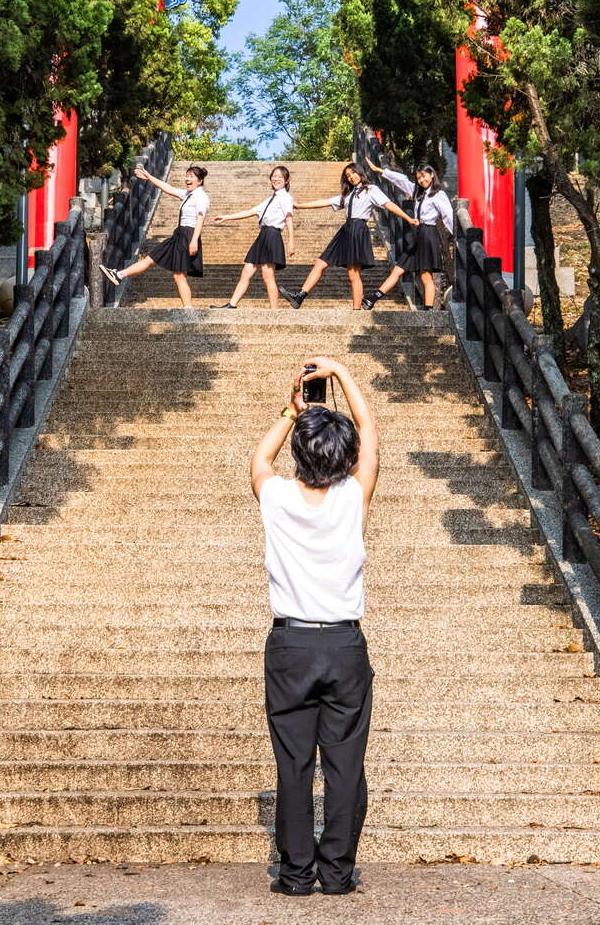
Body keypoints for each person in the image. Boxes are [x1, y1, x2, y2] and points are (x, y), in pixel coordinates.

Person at [251, 355, 379, 897]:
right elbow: (368, 427)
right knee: (345, 764)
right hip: (344, 643)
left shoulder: (276, 496)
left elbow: (260, 458)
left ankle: (296, 873)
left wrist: (292, 410)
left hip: (291, 642)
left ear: (299, 452)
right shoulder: (354, 496)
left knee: (294, 764)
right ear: (347, 454)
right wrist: (340, 371)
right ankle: (338, 872)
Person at [278, 164, 416, 310]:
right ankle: (299, 296)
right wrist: (299, 205)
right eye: (348, 176)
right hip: (345, 230)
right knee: (320, 263)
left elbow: (388, 204)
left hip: (358, 230)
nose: (351, 177)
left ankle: (356, 310)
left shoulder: (371, 189)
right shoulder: (348, 194)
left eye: (353, 173)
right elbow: (326, 202)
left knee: (353, 274)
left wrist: (408, 218)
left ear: (360, 173)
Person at [99, 165, 207, 306]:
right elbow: (168, 188)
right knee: (151, 258)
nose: (187, 179)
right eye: (186, 175)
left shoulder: (201, 197)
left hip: (188, 235)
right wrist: (149, 177)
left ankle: (188, 308)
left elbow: (200, 218)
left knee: (179, 275)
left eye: (191, 176)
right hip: (179, 234)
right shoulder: (188, 194)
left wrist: (194, 241)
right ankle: (119, 275)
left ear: (200, 181)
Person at [363, 164, 456, 310]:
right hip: (417, 235)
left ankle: (428, 312)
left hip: (428, 234)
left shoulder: (439, 195)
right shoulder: (417, 192)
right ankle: (372, 299)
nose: (421, 180)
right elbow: (402, 180)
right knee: (398, 269)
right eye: (418, 178)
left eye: (424, 176)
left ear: (432, 175)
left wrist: (455, 236)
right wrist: (380, 170)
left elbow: (448, 216)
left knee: (426, 276)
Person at [208, 165, 296, 309]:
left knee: (267, 275)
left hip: (272, 235)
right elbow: (250, 212)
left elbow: (289, 217)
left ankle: (274, 311)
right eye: (274, 176)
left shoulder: (286, 197)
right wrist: (226, 217)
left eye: (280, 176)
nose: (276, 179)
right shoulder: (270, 199)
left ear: (286, 180)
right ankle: (232, 304)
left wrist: (291, 241)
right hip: (262, 236)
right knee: (247, 271)